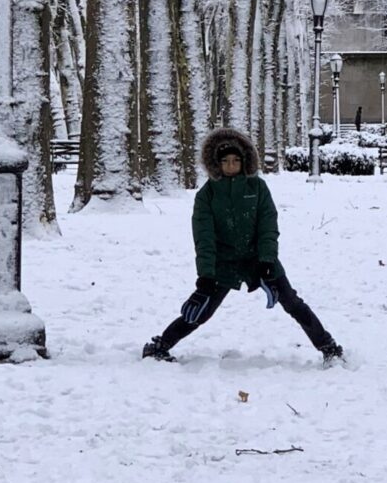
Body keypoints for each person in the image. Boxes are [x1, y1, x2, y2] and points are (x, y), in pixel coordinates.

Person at [142, 128, 344, 364]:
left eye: (236, 160)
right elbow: (204, 239)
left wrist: (267, 261)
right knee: (202, 310)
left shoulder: (257, 188)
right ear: (216, 163)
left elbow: (268, 226)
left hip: (259, 259)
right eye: (225, 161)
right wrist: (206, 277)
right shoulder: (206, 195)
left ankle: (328, 347)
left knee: (293, 303)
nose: (231, 165)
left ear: (244, 161)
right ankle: (159, 345)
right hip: (224, 263)